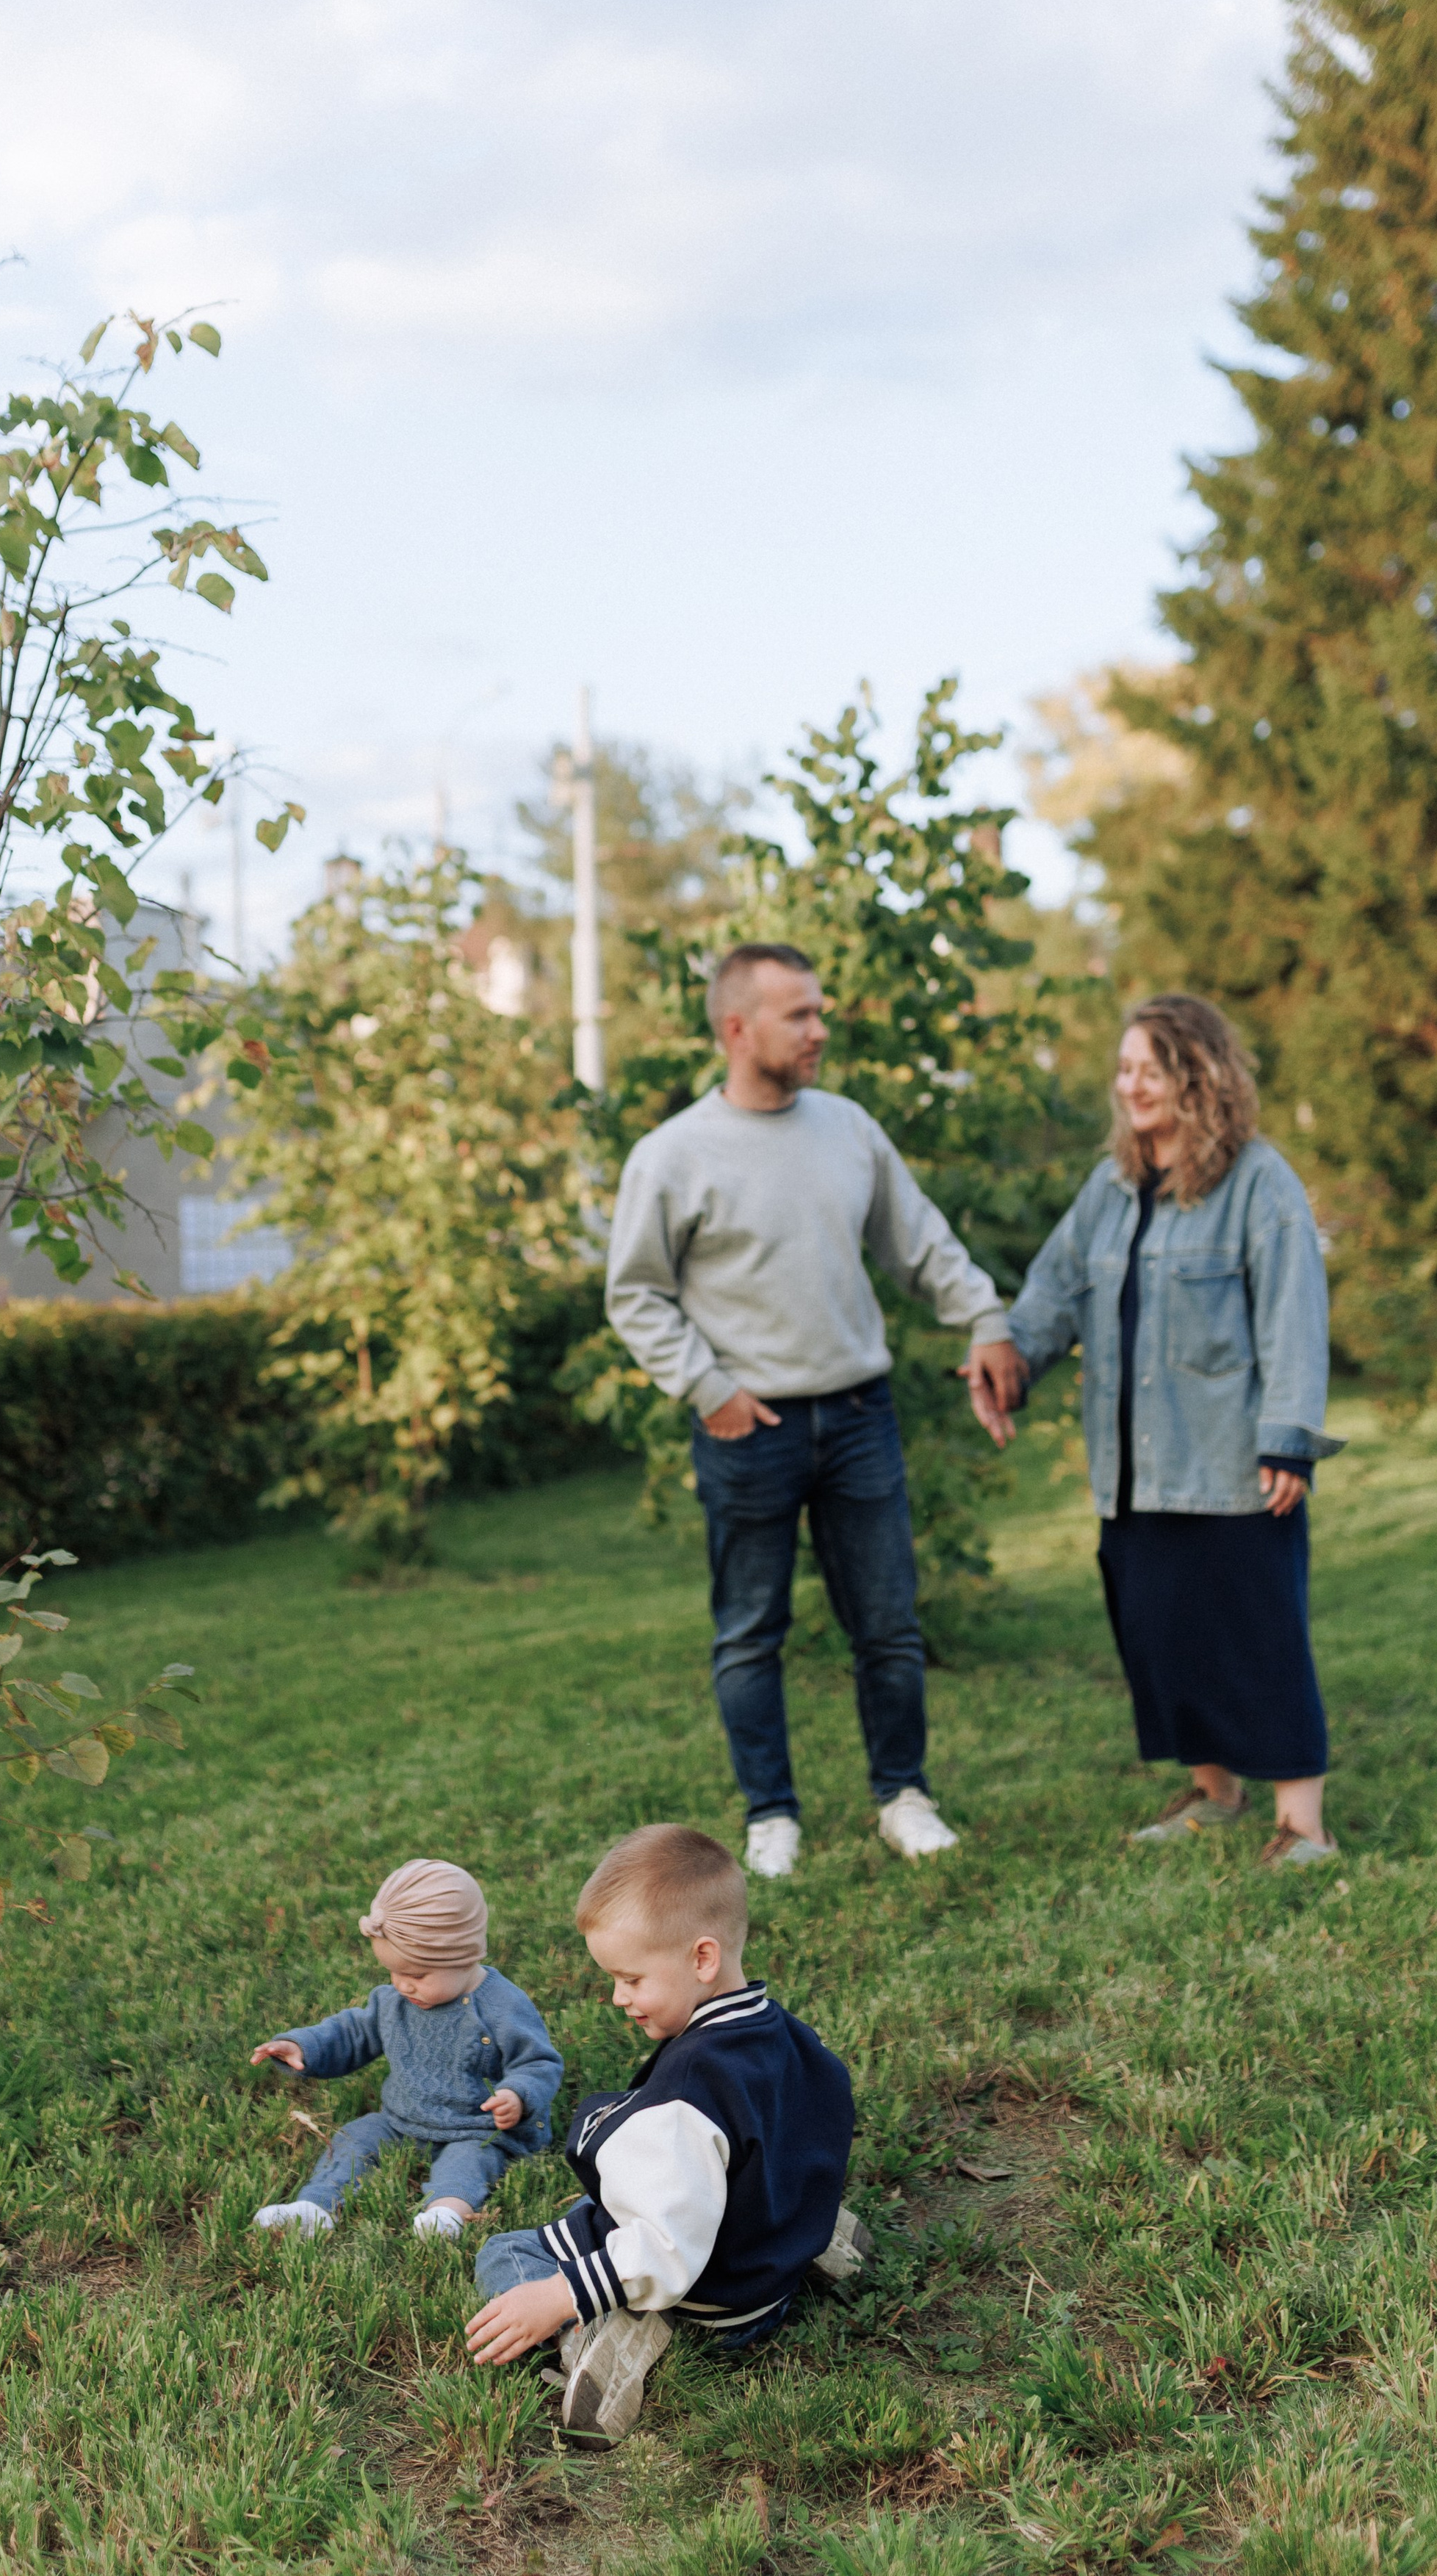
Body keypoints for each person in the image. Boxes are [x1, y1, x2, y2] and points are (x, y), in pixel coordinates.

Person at [604, 942, 1029, 1877]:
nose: (819, 1029)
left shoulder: (848, 1129)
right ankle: (771, 1815)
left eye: (819, 1011)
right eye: (798, 1014)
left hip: (858, 1415)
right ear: (736, 1028)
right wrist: (707, 1390)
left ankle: (903, 1797)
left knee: (887, 1624)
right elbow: (635, 1293)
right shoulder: (673, 1155)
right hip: (747, 1428)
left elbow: (920, 1244)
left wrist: (985, 1317)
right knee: (749, 1633)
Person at [993, 995, 1344, 1868]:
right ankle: (1216, 1794)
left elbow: (1295, 1315)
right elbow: (1052, 1289)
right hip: (1130, 1468)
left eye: (1150, 1068)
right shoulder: (1110, 1189)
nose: (1131, 1085)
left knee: (1258, 1638)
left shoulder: (1260, 1183)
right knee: (1163, 1634)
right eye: (1123, 1069)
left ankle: (1304, 1826)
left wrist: (1288, 1437)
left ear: (1199, 1075)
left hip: (1230, 1462)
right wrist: (1007, 1361)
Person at [462, 1823, 870, 2446]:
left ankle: (599, 2333)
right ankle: (810, 2230)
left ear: (701, 1958)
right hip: (770, 2272)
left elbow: (668, 2244)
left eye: (631, 1978)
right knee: (754, 2145)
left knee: (509, 2254)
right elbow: (823, 2110)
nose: (618, 1997)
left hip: (711, 2300)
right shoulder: (783, 2034)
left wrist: (564, 2294)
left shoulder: (685, 2097)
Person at [248, 1856, 563, 2239]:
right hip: (401, 2121)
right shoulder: (394, 2002)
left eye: (415, 1975)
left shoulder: (501, 2006)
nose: (402, 1985)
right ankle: (315, 2206)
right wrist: (305, 2046)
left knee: (469, 2162)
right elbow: (353, 2033)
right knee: (355, 2139)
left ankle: (446, 2214)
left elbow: (539, 2062)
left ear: (463, 1955)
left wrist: (517, 2094)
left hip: (475, 2127)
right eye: (392, 1973)